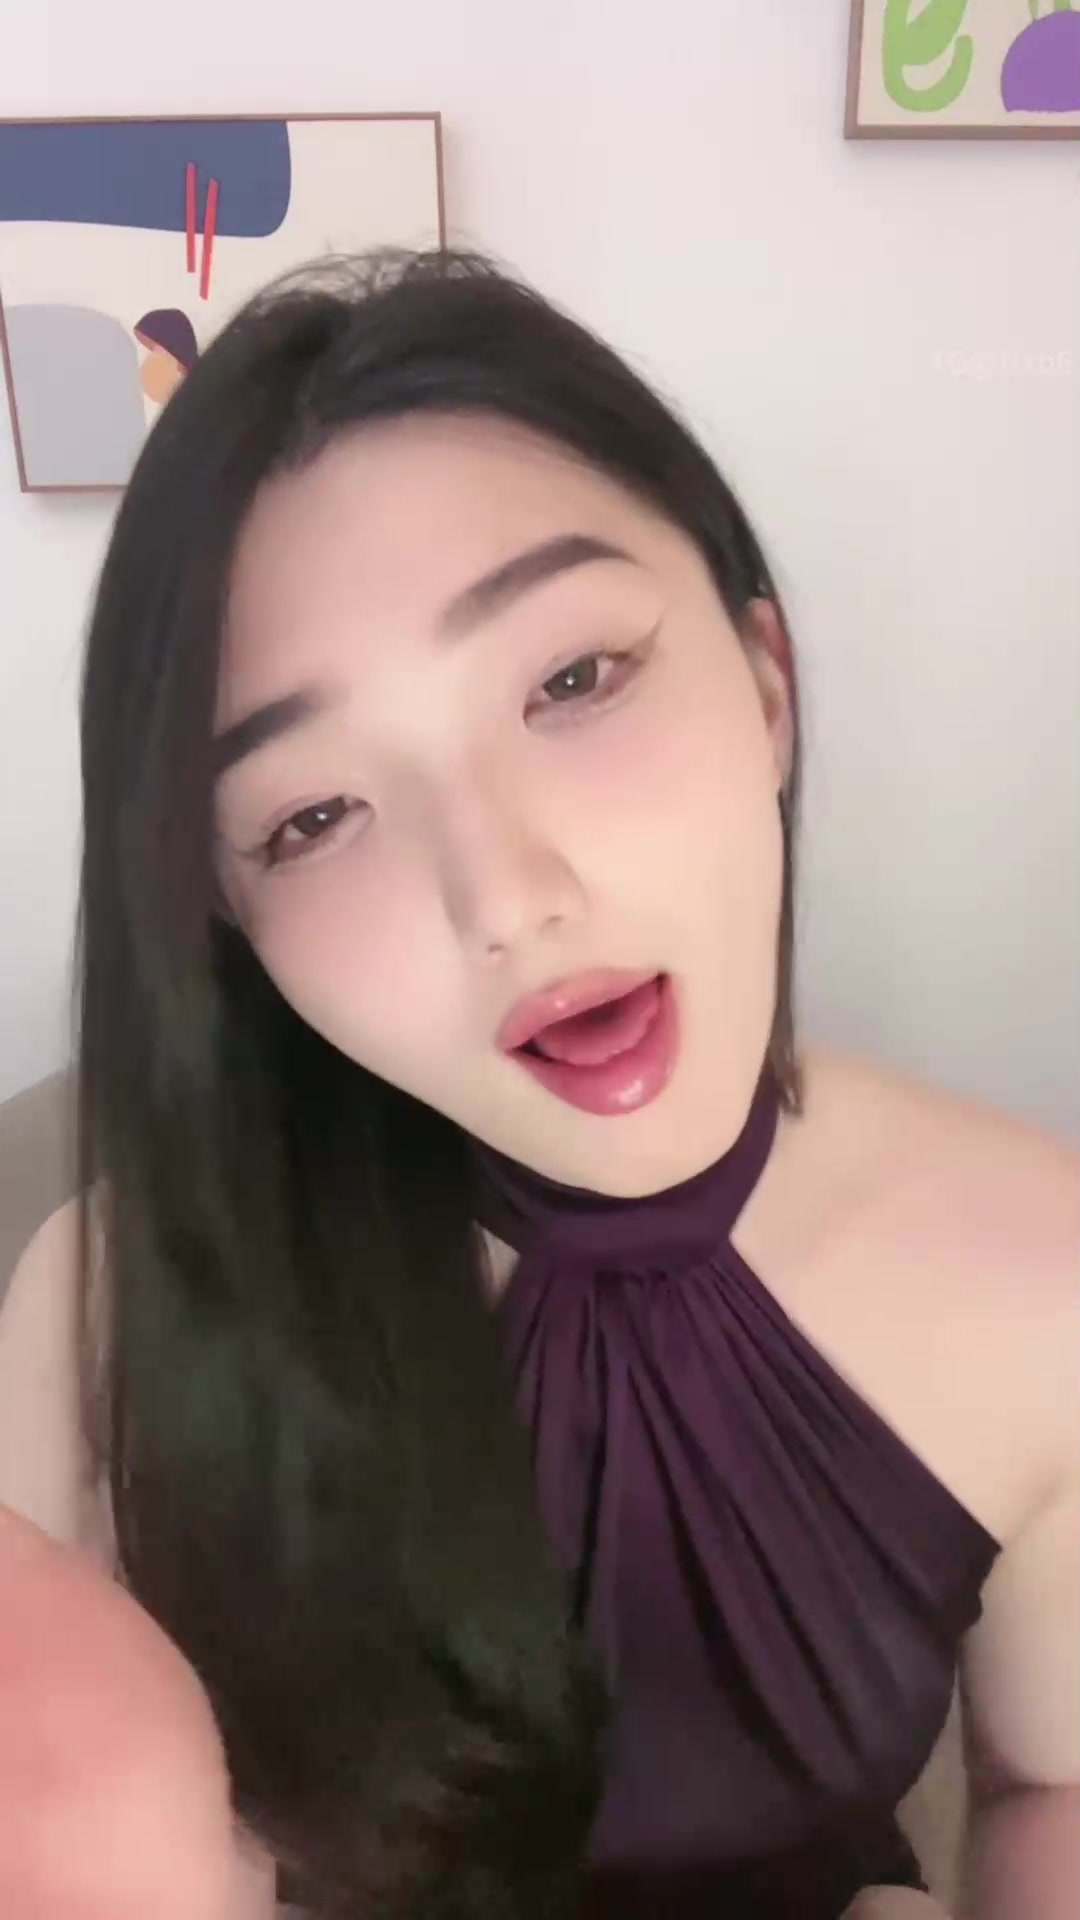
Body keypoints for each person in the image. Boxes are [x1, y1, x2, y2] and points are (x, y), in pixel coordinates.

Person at [0, 248, 1076, 1920]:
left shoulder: (1040, 1259)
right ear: (230, 916)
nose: (505, 897)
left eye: (572, 681)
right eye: (314, 816)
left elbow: (1054, 1786)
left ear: (766, 685)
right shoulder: (108, 1313)